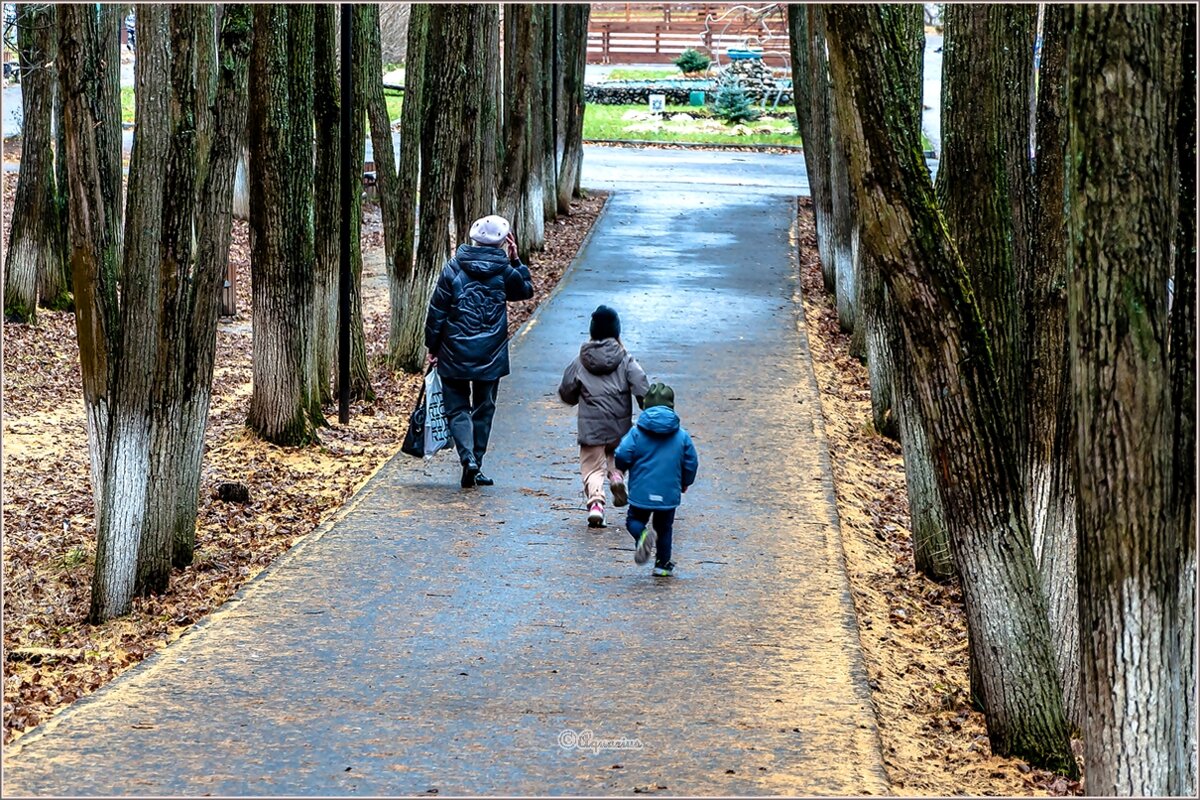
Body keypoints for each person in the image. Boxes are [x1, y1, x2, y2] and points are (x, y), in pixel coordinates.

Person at [425, 215, 534, 488]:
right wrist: (516, 260)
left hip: (454, 351)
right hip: (490, 354)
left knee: (457, 408)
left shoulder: (452, 268)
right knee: (484, 409)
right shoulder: (504, 271)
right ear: (503, 242)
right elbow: (526, 291)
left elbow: (437, 312)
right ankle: (477, 462)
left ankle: (467, 459)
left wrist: (432, 347)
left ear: (472, 237)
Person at [558, 305, 650, 528]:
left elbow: (567, 392)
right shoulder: (625, 358)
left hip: (592, 430)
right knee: (615, 458)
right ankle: (617, 477)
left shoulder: (580, 360)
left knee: (591, 469)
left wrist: (574, 396)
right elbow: (642, 387)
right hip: (619, 428)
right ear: (616, 331)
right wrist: (647, 406)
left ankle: (597, 504)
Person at [614, 383, 699, 577]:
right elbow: (691, 462)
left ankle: (641, 535)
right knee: (664, 528)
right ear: (671, 407)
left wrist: (622, 468)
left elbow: (623, 454)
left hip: (641, 489)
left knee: (634, 519)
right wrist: (685, 482)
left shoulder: (636, 433)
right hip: (669, 491)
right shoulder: (682, 436)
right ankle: (662, 565)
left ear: (646, 407)